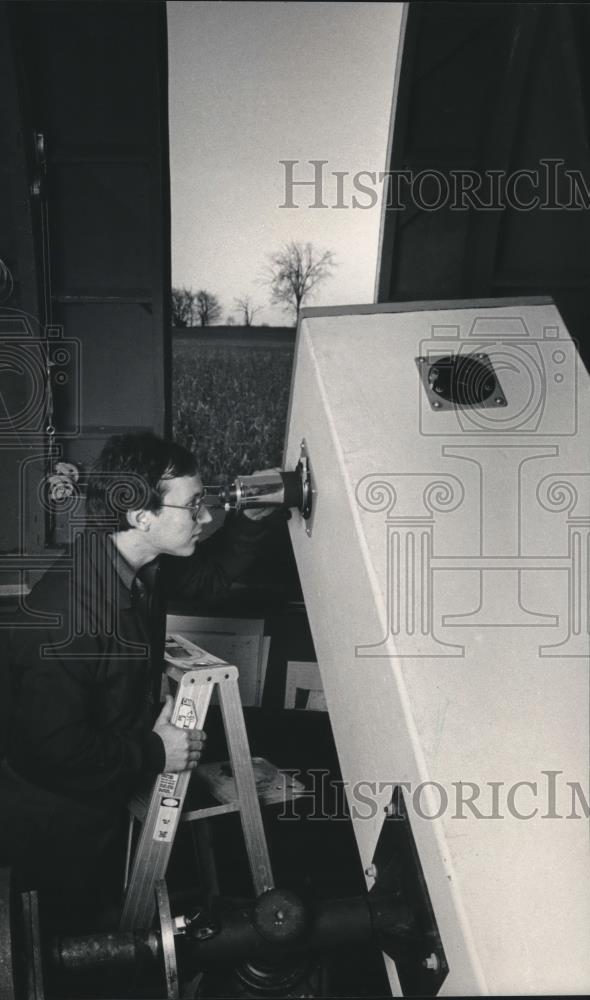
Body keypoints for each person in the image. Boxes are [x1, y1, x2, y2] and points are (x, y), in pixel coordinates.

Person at [0, 431, 284, 928]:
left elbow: (212, 578)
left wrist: (252, 518)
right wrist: (155, 752)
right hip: (57, 819)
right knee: (74, 948)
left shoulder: (139, 566)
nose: (204, 517)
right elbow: (49, 751)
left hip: (100, 790)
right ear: (140, 516)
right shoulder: (65, 615)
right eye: (192, 506)